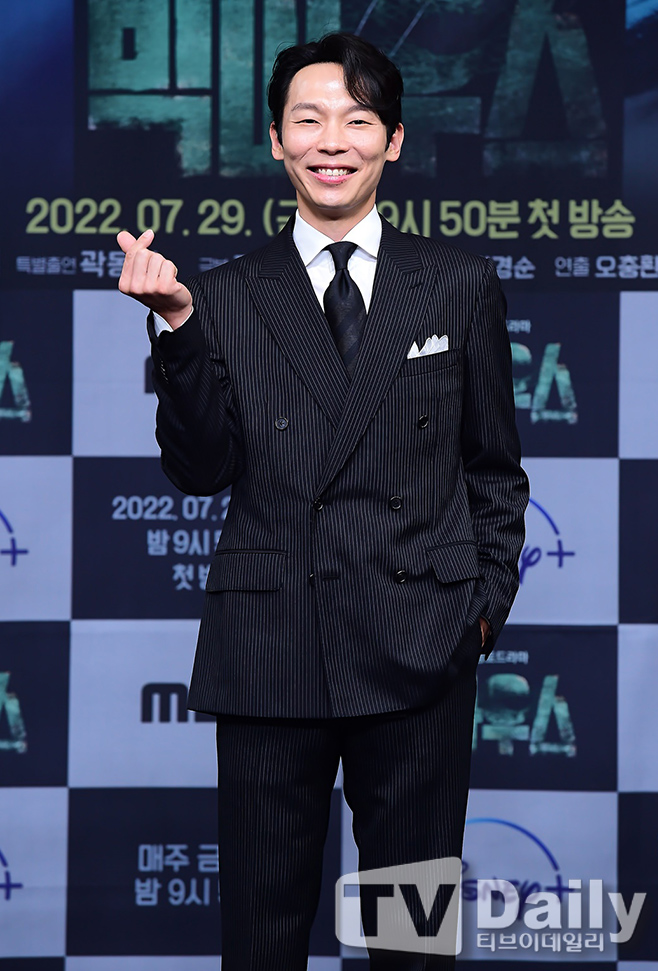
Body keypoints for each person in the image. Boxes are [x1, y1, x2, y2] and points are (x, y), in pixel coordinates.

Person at [117, 31, 529, 970]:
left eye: (358, 120)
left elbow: (494, 470)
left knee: (412, 939)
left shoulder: (457, 282)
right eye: (308, 120)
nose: (331, 141)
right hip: (272, 647)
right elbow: (200, 469)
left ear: (394, 141)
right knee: (261, 937)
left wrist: (477, 614)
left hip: (421, 646)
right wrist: (176, 329)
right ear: (276, 140)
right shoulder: (221, 295)